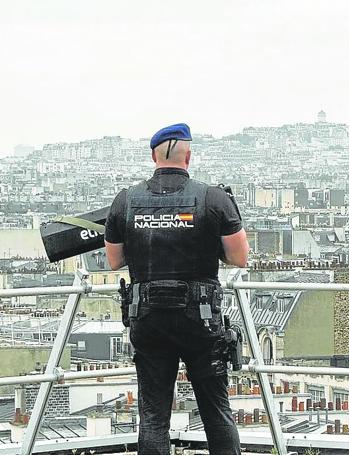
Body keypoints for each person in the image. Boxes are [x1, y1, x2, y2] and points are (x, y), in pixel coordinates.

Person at [104, 123, 249, 455]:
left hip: (149, 317)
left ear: (153, 155)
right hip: (200, 318)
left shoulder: (125, 201)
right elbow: (239, 257)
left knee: (153, 417)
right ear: (189, 156)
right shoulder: (213, 198)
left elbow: (113, 261)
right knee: (215, 412)